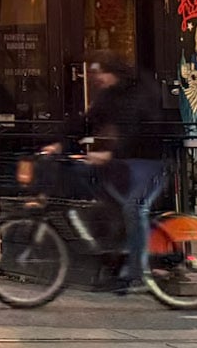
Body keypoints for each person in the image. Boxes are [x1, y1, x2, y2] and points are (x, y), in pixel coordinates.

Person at [47, 51, 165, 291]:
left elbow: (138, 128)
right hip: (125, 162)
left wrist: (110, 154)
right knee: (107, 200)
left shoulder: (138, 93)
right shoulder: (109, 96)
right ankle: (116, 260)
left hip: (150, 159)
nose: (97, 78)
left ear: (114, 73)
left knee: (134, 208)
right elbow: (87, 121)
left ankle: (138, 273)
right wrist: (60, 143)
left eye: (101, 72)